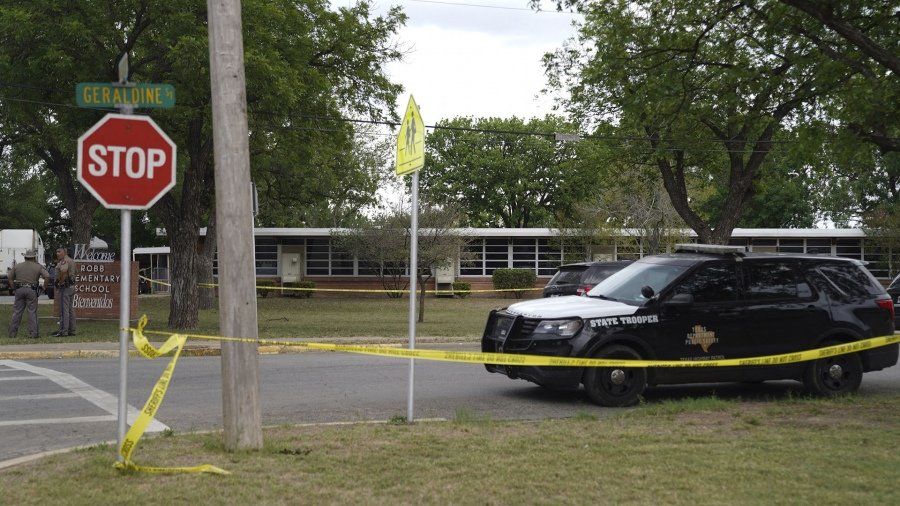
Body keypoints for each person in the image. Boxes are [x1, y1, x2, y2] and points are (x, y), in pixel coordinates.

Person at [8, 249, 50, 339]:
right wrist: (44, 287)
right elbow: (47, 276)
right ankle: (33, 334)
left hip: (19, 289)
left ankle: (12, 334)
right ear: (34, 257)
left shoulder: (17, 266)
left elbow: (10, 277)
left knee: (17, 312)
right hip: (31, 290)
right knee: (32, 312)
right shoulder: (38, 267)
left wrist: (13, 288)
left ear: (25, 257)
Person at [52, 247, 77, 337]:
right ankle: (72, 330)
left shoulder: (64, 261)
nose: (57, 253)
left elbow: (63, 272)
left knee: (64, 310)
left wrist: (59, 283)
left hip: (65, 288)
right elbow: (75, 273)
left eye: (59, 251)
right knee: (70, 309)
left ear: (65, 252)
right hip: (71, 287)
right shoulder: (72, 261)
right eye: (56, 251)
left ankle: (63, 331)